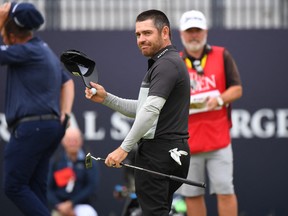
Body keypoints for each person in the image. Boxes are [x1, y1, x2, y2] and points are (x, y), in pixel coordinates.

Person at [85, 9, 191, 216]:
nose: (141, 39)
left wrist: (124, 148)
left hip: (159, 155)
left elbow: (150, 111)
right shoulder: (164, 63)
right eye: (138, 34)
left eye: (147, 33)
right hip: (171, 153)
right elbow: (143, 109)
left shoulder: (167, 64)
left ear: (165, 32)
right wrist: (107, 98)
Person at [0, 2, 74, 216]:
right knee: (34, 188)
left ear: (12, 33)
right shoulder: (43, 49)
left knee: (14, 186)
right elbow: (67, 82)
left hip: (32, 129)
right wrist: (66, 113)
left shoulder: (27, 50)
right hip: (48, 127)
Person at [176, 10, 242, 216]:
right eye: (189, 31)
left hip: (218, 139)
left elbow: (237, 88)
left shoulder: (222, 54)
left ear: (205, 32)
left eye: (197, 30)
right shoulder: (175, 61)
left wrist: (220, 99)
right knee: (192, 194)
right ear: (181, 34)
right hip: (187, 141)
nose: (194, 35)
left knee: (224, 190)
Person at [47, 126, 99, 216]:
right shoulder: (56, 161)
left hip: (83, 206)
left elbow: (91, 186)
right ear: (63, 141)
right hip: (60, 208)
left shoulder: (88, 160)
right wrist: (60, 206)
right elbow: (48, 188)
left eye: (75, 140)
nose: (72, 143)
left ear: (81, 141)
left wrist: (71, 203)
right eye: (69, 140)